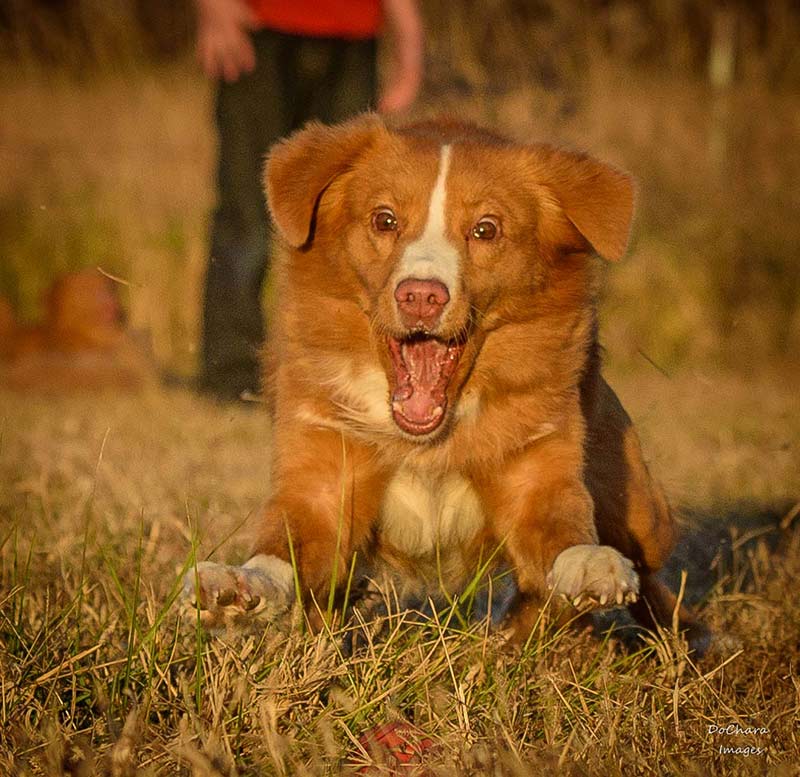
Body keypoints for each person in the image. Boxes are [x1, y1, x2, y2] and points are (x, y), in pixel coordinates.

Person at [195, 0, 424, 401]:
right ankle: (229, 375)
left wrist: (409, 39)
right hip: (257, 28)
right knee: (245, 216)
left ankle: (337, 370)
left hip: (354, 34)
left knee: (348, 220)